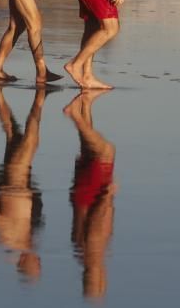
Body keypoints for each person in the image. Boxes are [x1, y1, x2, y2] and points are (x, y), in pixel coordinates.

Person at [0, 86, 51, 281]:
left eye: (36, 264)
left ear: (23, 263)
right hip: (22, 182)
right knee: (12, 132)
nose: (38, 260)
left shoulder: (9, 239)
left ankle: (40, 95)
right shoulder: (29, 239)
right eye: (39, 264)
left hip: (14, 180)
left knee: (31, 141)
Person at [64, 91, 117, 300]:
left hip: (91, 194)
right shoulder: (80, 254)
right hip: (80, 197)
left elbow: (96, 225)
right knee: (88, 148)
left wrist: (107, 196)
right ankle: (84, 102)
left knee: (105, 151)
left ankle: (75, 114)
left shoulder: (93, 255)